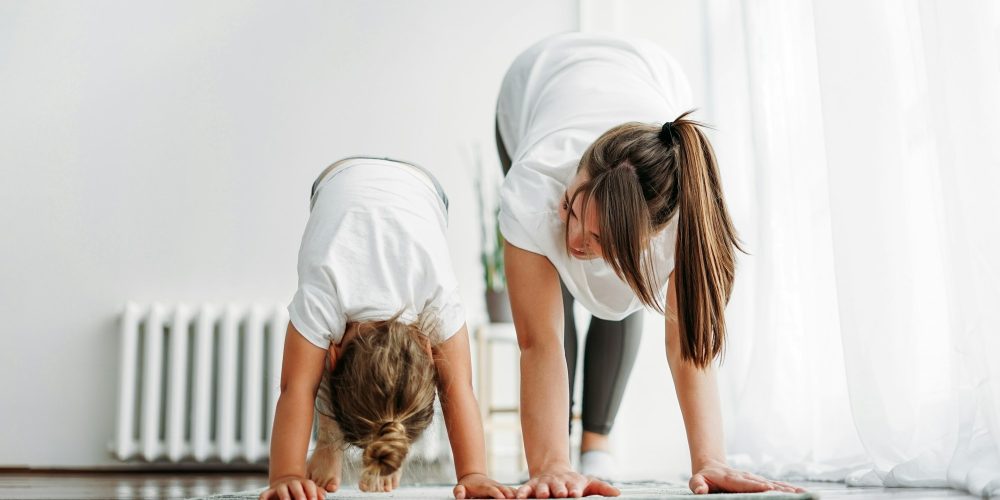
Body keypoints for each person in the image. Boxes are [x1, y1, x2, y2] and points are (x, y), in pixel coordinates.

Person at [495, 33, 805, 496]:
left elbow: (687, 343)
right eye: (576, 208)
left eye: (600, 238)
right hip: (532, 83)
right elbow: (538, 341)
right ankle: (564, 453)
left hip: (650, 74)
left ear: (654, 233)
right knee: (550, 298)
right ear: (578, 171)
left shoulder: (685, 221)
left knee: (624, 287)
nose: (576, 242)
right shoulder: (533, 188)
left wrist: (710, 460)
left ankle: (597, 448)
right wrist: (549, 465)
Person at [260, 157, 513, 500]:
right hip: (387, 185)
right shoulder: (431, 298)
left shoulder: (334, 295)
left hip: (378, 184)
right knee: (326, 355)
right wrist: (473, 473)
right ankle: (330, 443)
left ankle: (376, 430)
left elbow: (296, 389)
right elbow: (460, 389)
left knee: (318, 352)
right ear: (428, 349)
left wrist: (285, 475)